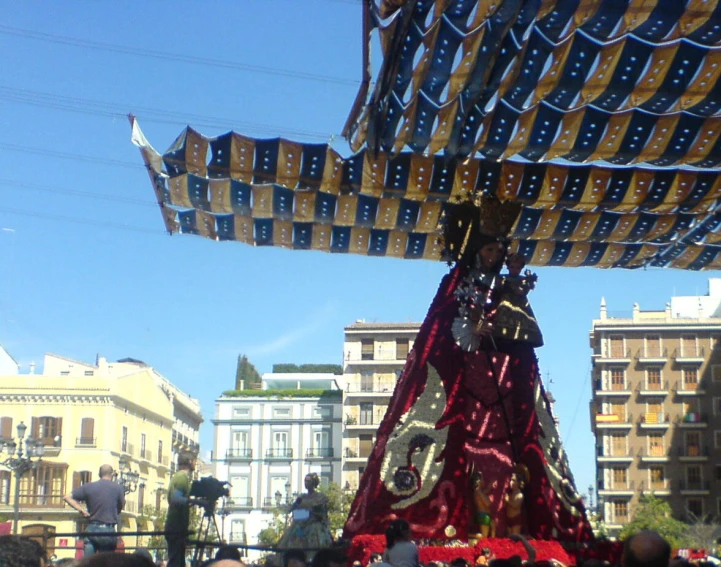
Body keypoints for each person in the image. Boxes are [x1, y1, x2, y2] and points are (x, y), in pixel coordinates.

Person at [343, 220, 592, 542]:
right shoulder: (458, 283)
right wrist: (471, 330)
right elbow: (445, 326)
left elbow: (515, 327)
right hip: (462, 382)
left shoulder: (502, 286)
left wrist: (513, 283)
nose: (494, 257)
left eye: (499, 252)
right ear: (476, 252)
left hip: (498, 390)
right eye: (490, 250)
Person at [63, 464, 125, 555]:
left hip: (92, 528)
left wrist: (82, 510)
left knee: (88, 562)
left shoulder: (89, 486)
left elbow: (67, 497)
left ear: (99, 474)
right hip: (108, 529)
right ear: (111, 474)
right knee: (106, 563)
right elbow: (121, 505)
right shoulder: (118, 488)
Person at [276, 473, 333, 556]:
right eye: (305, 481)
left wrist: (309, 513)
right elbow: (293, 509)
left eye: (308, 481)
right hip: (300, 527)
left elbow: (322, 514)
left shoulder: (320, 497)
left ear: (313, 483)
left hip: (315, 527)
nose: (306, 483)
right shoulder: (301, 497)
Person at [165, 452, 196, 567]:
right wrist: (195, 501)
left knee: (177, 561)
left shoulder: (177, 476)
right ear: (189, 462)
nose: (195, 464)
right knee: (176, 562)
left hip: (174, 526)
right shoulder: (182, 478)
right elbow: (176, 499)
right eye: (194, 461)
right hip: (176, 527)